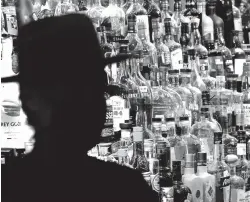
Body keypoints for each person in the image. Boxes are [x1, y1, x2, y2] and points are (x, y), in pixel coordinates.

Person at [1, 14, 158, 202]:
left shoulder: (10, 186)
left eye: (98, 90)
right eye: (79, 92)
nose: (98, 105)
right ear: (31, 101)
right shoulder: (124, 188)